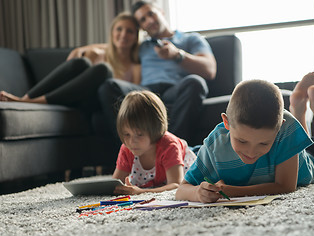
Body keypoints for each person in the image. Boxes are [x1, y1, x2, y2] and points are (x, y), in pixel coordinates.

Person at [175, 72, 314, 203]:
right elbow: (182, 189)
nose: (251, 152)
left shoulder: (287, 128)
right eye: (242, 141)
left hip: (313, 161)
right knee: (296, 144)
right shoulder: (215, 145)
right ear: (226, 122)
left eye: (263, 143)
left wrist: (231, 191)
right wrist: (198, 193)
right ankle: (299, 104)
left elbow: (286, 186)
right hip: (290, 151)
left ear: (280, 128)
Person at [98, 1, 217, 144]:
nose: (149, 21)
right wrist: (81, 49)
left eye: (151, 14)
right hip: (146, 92)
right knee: (108, 86)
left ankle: (172, 149)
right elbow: (115, 44)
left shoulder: (190, 39)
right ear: (141, 27)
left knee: (196, 82)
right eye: (142, 20)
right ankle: (129, 153)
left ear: (161, 12)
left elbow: (210, 70)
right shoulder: (141, 46)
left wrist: (178, 55)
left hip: (176, 89)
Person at [0, 12, 141, 111]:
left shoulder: (135, 67)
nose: (123, 34)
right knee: (82, 63)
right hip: (73, 96)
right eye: (119, 29)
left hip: (96, 104)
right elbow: (73, 62)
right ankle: (25, 98)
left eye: (129, 31)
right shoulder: (98, 53)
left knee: (104, 70)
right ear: (112, 33)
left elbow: (133, 100)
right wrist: (86, 48)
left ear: (136, 37)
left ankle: (28, 102)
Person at [112, 90, 196, 195]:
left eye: (139, 134)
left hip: (188, 156)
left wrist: (142, 192)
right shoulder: (126, 148)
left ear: (155, 129)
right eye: (127, 134)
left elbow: (176, 184)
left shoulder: (169, 146)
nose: (131, 141)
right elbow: (115, 183)